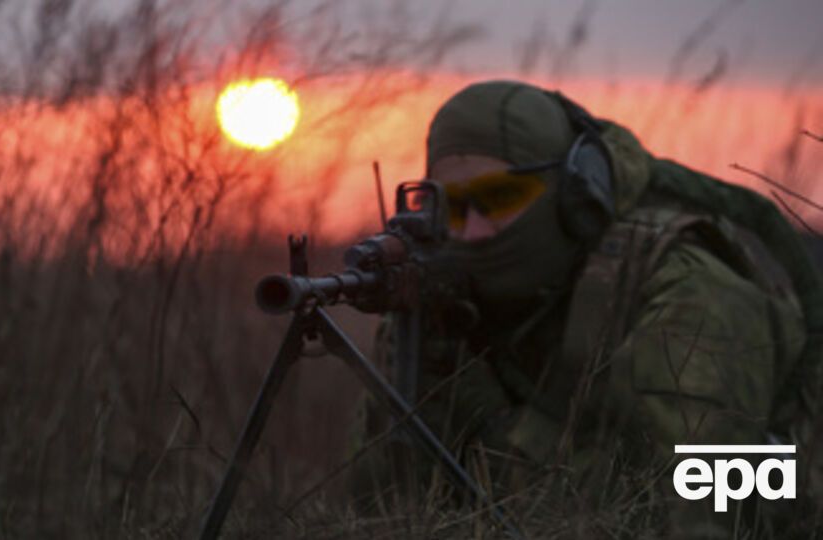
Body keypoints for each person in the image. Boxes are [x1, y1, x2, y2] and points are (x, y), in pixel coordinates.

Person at [350, 80, 821, 538]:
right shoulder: (455, 305)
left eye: (499, 199)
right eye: (452, 208)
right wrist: (415, 384)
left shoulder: (690, 293)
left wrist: (492, 422)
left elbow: (680, 510)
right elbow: (379, 514)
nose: (473, 232)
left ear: (575, 196)